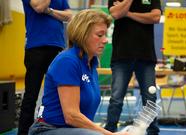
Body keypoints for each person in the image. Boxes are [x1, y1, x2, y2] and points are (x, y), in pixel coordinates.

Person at [28, 9, 129, 135]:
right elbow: (71, 116)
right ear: (83, 35)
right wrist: (110, 134)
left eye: (105, 35)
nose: (105, 40)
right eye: (99, 35)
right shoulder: (68, 61)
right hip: (47, 129)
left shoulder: (91, 64)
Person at [104, 0, 161, 135]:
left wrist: (127, 13)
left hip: (146, 55)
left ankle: (153, 131)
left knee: (150, 98)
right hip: (122, 55)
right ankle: (109, 131)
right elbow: (116, 14)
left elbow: (155, 17)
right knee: (116, 98)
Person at [18, 0, 72, 135]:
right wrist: (52, 11)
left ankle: (56, 128)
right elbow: (39, 7)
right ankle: (23, 132)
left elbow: (69, 16)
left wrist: (50, 11)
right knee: (31, 95)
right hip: (36, 48)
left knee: (59, 94)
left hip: (57, 47)